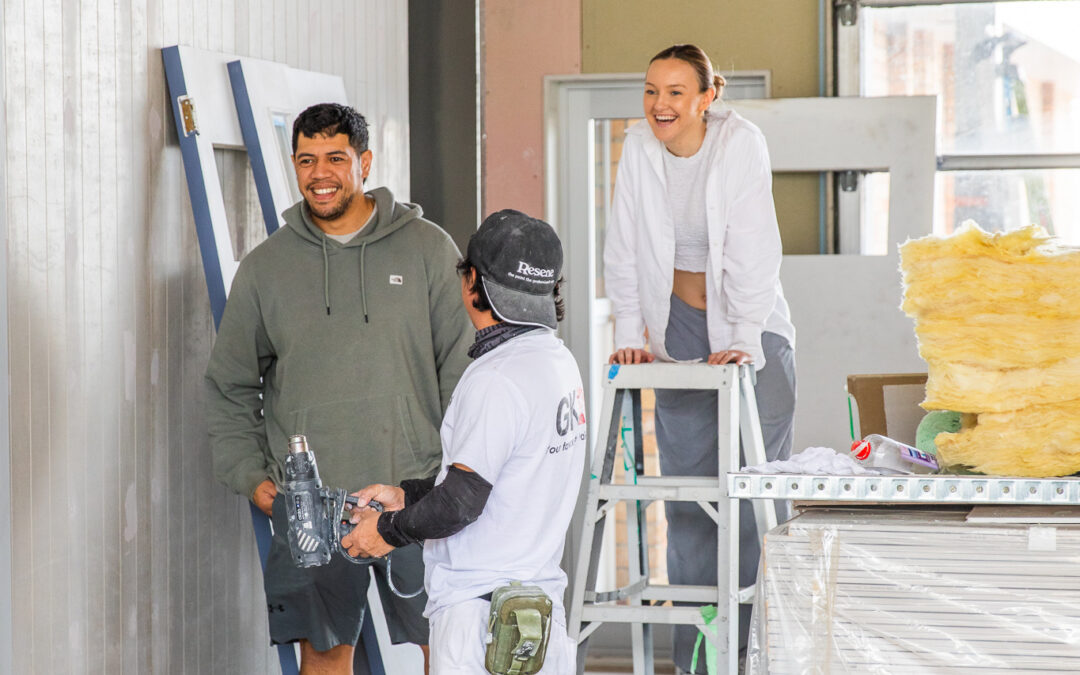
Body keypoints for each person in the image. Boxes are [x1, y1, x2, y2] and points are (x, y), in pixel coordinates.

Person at [204, 102, 473, 673]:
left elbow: (465, 373)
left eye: (335, 158)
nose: (319, 173)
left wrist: (452, 482)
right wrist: (256, 484)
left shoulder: (428, 250)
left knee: (446, 651)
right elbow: (228, 386)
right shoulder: (265, 269)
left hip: (416, 497)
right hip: (312, 509)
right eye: (306, 160)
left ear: (364, 162)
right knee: (324, 659)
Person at [603, 44, 797, 673]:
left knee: (752, 495)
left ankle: (760, 653)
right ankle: (697, 659)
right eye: (652, 90)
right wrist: (630, 329)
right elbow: (625, 243)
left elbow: (752, 246)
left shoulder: (739, 144)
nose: (661, 105)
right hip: (678, 328)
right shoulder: (638, 146)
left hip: (753, 326)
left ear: (708, 96)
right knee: (688, 501)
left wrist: (740, 334)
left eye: (676, 92)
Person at [341, 209, 585, 674]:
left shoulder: (495, 377)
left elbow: (461, 503)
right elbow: (503, 477)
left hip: (483, 625)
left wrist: (387, 533)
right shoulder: (557, 362)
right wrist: (406, 494)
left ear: (471, 282)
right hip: (538, 618)